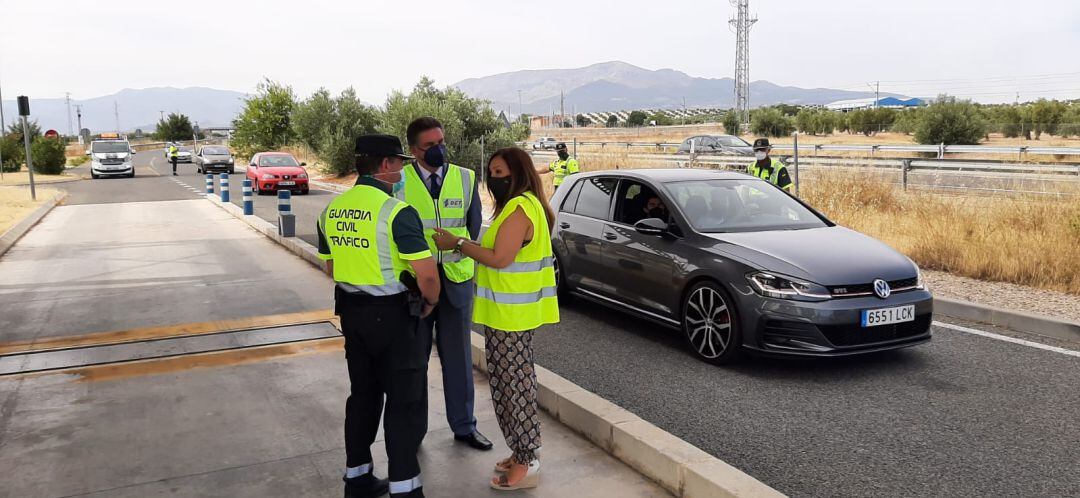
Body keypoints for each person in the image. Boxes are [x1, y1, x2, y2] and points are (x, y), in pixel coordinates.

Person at [317, 134, 440, 498]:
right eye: (400, 163)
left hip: (352, 315)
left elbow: (330, 266)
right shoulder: (397, 213)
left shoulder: (331, 210)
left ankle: (357, 479)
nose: (403, 170)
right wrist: (430, 303)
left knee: (364, 397)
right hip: (395, 318)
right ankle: (405, 487)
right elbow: (428, 275)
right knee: (403, 401)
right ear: (385, 165)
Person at [432, 147, 559, 491]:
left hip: (511, 317)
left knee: (514, 388)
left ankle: (527, 460)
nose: (495, 178)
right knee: (509, 384)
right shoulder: (523, 205)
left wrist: (457, 243)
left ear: (517, 173)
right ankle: (520, 452)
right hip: (509, 314)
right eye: (492, 172)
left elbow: (499, 258)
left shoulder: (519, 209)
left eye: (501, 172)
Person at [397, 117, 493, 451]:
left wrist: (455, 246)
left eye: (441, 141)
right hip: (416, 288)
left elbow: (473, 227)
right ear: (413, 151)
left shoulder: (466, 178)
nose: (439, 149)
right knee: (415, 361)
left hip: (455, 282)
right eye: (430, 145)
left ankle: (465, 426)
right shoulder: (399, 183)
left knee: (459, 360)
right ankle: (414, 432)